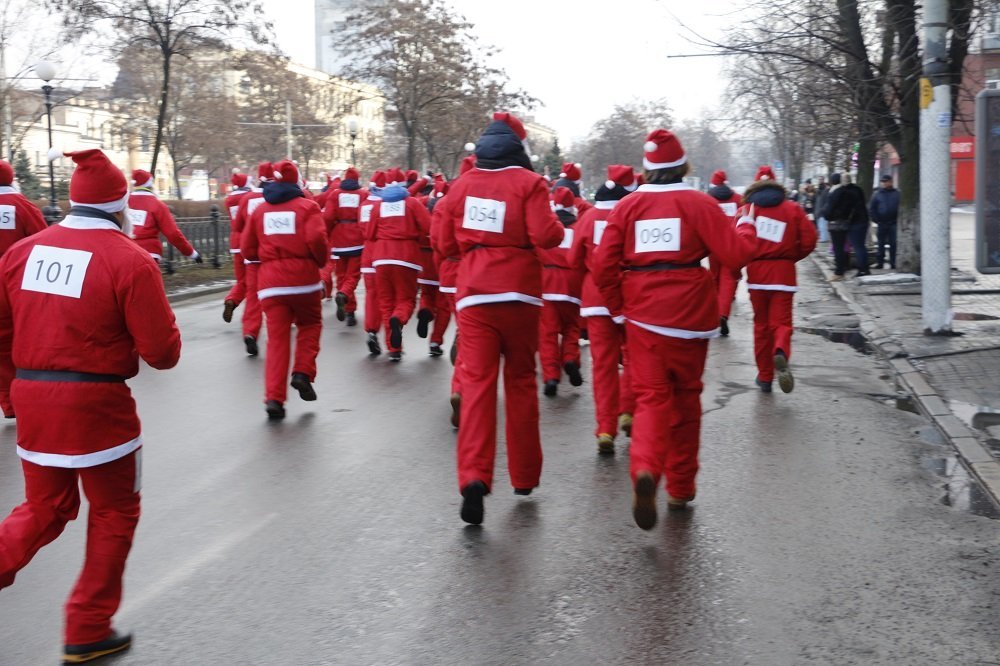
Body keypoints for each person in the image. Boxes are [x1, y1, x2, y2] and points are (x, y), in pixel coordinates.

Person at [0, 148, 181, 663]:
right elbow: (162, 354)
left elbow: (1, 329)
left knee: (42, 508)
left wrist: (10, 387)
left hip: (33, 401)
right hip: (99, 410)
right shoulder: (129, 259)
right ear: (121, 205)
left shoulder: (22, 254)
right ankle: (87, 625)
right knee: (115, 510)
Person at [593, 129, 757, 530]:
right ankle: (681, 488)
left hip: (643, 313)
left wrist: (617, 310)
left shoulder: (627, 206)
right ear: (684, 165)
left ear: (647, 170)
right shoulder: (698, 204)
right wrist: (746, 225)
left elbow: (602, 265)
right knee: (686, 397)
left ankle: (646, 468)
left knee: (650, 397)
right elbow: (735, 255)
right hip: (689, 315)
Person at [436, 111, 564, 525]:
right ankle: (524, 476)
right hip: (521, 293)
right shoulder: (530, 184)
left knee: (475, 385)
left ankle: (473, 478)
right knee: (522, 382)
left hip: (474, 295)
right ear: (520, 147)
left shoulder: (463, 185)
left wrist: (472, 246)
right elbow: (547, 236)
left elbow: (442, 242)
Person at [241, 159, 327, 420]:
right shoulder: (308, 207)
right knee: (310, 325)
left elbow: (247, 249)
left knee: (277, 340)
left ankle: (274, 399)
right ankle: (302, 372)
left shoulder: (260, 211)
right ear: (296, 182)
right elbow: (316, 240)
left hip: (271, 285)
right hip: (304, 282)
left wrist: (267, 258)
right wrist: (320, 261)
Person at [569, 164, 637, 455]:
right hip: (629, 297)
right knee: (634, 358)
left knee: (603, 365)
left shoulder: (587, 218)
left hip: (595, 301)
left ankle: (605, 428)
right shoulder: (632, 216)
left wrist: (577, 298)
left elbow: (573, 261)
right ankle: (627, 409)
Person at [741, 165, 818, 393]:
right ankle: (781, 350)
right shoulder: (792, 208)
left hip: (756, 275)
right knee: (781, 323)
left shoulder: (746, 211)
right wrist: (791, 257)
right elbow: (810, 239)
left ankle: (765, 377)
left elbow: (737, 239)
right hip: (783, 274)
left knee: (761, 326)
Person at [366, 167, 432, 361]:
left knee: (386, 302)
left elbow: (369, 233)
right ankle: (400, 319)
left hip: (381, 257)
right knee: (406, 299)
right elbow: (428, 227)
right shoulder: (412, 203)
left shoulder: (378, 206)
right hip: (407, 256)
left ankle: (393, 348)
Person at [0, 159, 48, 417]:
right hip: (17, 281)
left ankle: (8, 402)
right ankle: (29, 393)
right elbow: (43, 238)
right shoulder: (22, 205)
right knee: (28, 333)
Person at [538, 186, 585, 397]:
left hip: (547, 283)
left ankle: (551, 376)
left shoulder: (547, 226)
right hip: (572, 283)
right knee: (571, 328)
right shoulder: (579, 227)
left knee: (547, 333)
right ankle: (569, 358)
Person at [223, 162, 271, 355]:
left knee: (252, 294)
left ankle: (250, 331)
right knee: (275, 296)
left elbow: (240, 225)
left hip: (249, 253)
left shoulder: (245, 199)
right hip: (271, 254)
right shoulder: (277, 197)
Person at [322, 166, 368, 325]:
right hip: (357, 239)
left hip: (339, 240)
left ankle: (349, 310)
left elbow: (328, 217)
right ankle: (345, 298)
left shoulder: (335, 194)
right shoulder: (363, 194)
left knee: (341, 275)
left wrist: (327, 234)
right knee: (353, 276)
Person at [127, 169, 202, 265]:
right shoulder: (158, 205)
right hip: (149, 255)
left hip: (126, 252)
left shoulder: (124, 203)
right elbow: (173, 234)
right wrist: (192, 253)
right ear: (150, 185)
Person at [706, 169, 743, 336]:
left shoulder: (708, 198)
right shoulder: (737, 198)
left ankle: (713, 312)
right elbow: (744, 217)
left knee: (714, 277)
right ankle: (722, 314)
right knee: (729, 279)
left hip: (713, 244)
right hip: (733, 243)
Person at [822, 172, 869, 280]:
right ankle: (861, 268)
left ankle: (843, 272)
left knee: (841, 247)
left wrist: (826, 215)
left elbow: (829, 210)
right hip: (860, 220)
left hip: (843, 223)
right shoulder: (857, 189)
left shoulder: (838, 192)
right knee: (857, 246)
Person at [221, 169, 253, 324]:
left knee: (241, 280)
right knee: (254, 280)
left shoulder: (229, 200)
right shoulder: (249, 198)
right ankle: (253, 314)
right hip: (249, 242)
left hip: (235, 242)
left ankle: (232, 299)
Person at [869, 174, 900, 269]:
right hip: (882, 223)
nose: (884, 183)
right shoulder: (877, 194)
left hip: (893, 223)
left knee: (893, 243)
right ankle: (880, 262)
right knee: (880, 243)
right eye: (883, 182)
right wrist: (876, 219)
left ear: (890, 182)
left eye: (886, 181)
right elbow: (872, 208)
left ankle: (893, 262)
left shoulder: (897, 193)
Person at [814, 175, 830, 243]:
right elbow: (816, 201)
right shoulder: (817, 190)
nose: (820, 181)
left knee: (823, 227)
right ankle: (823, 238)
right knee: (820, 227)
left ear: (823, 180)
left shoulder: (826, 190)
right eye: (819, 179)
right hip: (818, 210)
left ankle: (824, 239)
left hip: (822, 211)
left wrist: (823, 209)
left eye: (821, 179)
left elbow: (826, 201)